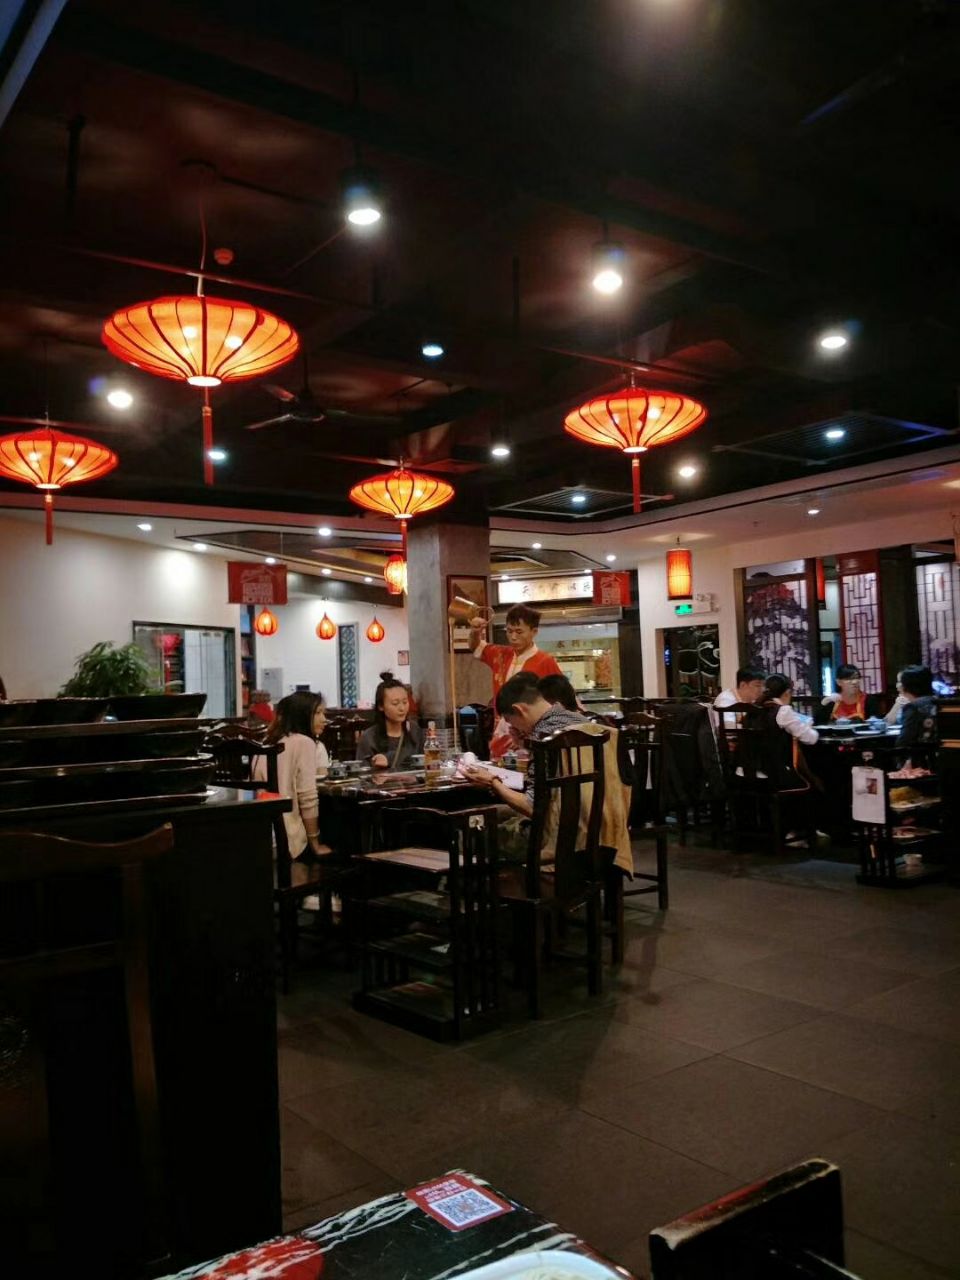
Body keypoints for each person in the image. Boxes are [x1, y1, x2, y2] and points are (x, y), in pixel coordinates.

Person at [469, 604, 563, 758]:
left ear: (534, 632)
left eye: (519, 632)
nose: (513, 637)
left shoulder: (545, 661)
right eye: (509, 631)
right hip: (501, 733)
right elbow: (476, 647)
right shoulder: (501, 654)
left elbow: (563, 699)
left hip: (532, 737)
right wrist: (475, 631)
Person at [254, 690, 330, 859]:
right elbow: (308, 799)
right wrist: (315, 843)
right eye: (318, 713)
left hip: (261, 835)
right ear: (301, 715)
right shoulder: (304, 742)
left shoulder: (267, 741)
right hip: (288, 841)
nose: (324, 719)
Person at [356, 671, 424, 770]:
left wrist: (388, 759)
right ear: (381, 706)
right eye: (395, 703)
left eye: (405, 702)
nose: (402, 708)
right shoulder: (369, 738)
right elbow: (362, 772)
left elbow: (424, 764)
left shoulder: (415, 731)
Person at [897, 665, 938, 750]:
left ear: (906, 686)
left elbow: (904, 741)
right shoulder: (939, 702)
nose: (897, 686)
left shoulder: (912, 707)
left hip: (919, 755)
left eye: (900, 682)